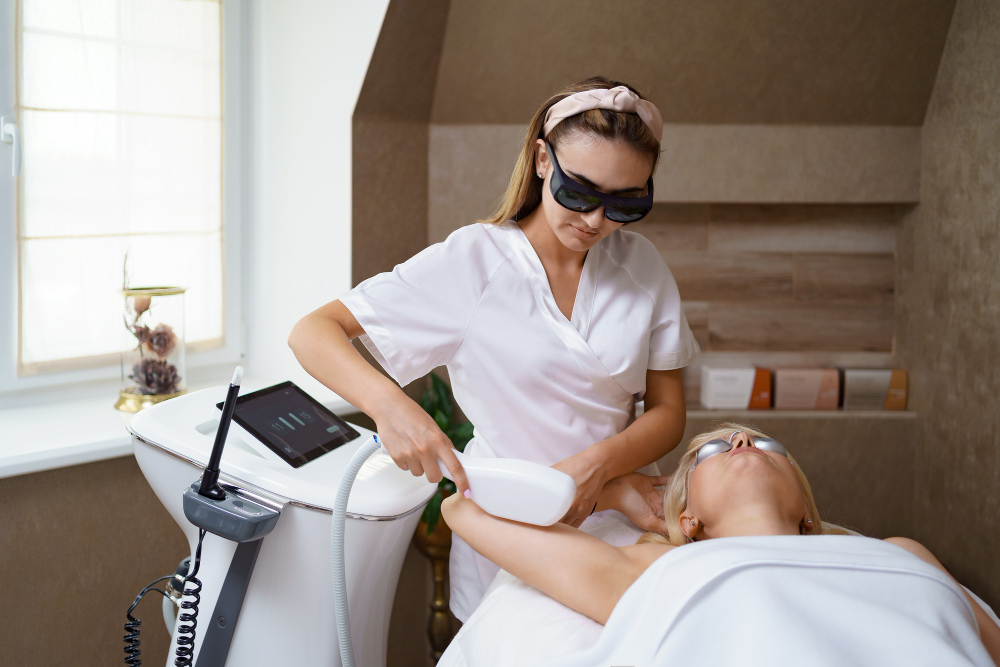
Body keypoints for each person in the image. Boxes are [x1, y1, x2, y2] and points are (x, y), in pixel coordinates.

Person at [287, 76, 699, 620]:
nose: (596, 221)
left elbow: (669, 414)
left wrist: (597, 470)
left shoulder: (641, 266)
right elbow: (313, 331)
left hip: (622, 515)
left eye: (625, 203)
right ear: (542, 161)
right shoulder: (475, 263)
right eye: (580, 193)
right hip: (506, 524)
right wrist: (391, 407)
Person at [440, 424, 1000, 666]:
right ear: (691, 519)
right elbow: (463, 507)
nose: (742, 440)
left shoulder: (902, 553)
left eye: (765, 442)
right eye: (710, 452)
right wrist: (609, 491)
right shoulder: (656, 567)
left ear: (807, 511)